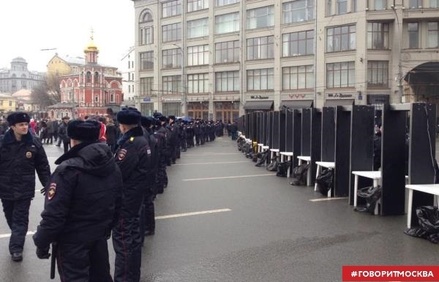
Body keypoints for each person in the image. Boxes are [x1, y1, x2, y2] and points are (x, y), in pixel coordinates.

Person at [33, 119, 123, 281]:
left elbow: (54, 215)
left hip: (72, 242)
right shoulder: (111, 165)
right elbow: (118, 202)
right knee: (100, 277)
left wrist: (42, 241)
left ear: (72, 139)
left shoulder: (67, 170)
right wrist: (106, 228)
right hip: (98, 236)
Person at [0, 112, 51, 262]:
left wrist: (48, 184)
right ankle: (18, 235)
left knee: (20, 219)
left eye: (26, 124)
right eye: (21, 125)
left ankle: (16, 248)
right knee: (10, 217)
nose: (24, 127)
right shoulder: (3, 143)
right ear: (12, 127)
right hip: (5, 187)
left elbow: (43, 166)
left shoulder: (34, 143)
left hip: (25, 188)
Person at [112, 107, 154, 282]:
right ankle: (132, 277)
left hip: (126, 200)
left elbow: (118, 173)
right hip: (135, 197)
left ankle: (125, 278)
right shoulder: (141, 139)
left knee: (124, 243)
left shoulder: (131, 143)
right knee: (133, 241)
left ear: (122, 125)